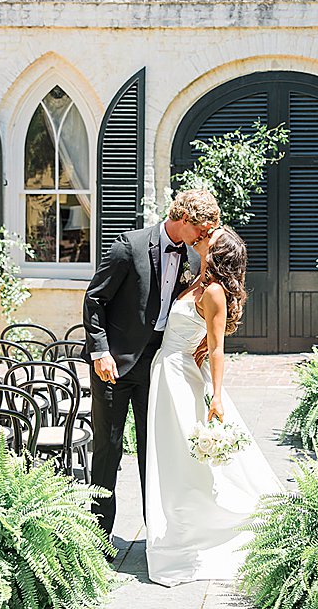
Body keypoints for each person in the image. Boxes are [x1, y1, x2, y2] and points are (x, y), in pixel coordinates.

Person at [144, 226, 284, 586]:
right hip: (169, 369)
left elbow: (219, 348)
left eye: (210, 238)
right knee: (171, 454)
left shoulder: (216, 293)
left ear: (218, 253)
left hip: (183, 378)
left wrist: (217, 396)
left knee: (183, 456)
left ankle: (196, 528)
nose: (202, 237)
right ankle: (179, 524)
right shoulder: (197, 282)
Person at [83, 189, 220, 537]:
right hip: (112, 365)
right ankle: (98, 540)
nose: (204, 238)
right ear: (184, 220)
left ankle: (157, 536)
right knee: (107, 450)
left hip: (158, 365)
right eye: (201, 230)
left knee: (154, 450)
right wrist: (100, 352)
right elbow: (95, 299)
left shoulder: (191, 256)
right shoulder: (128, 246)